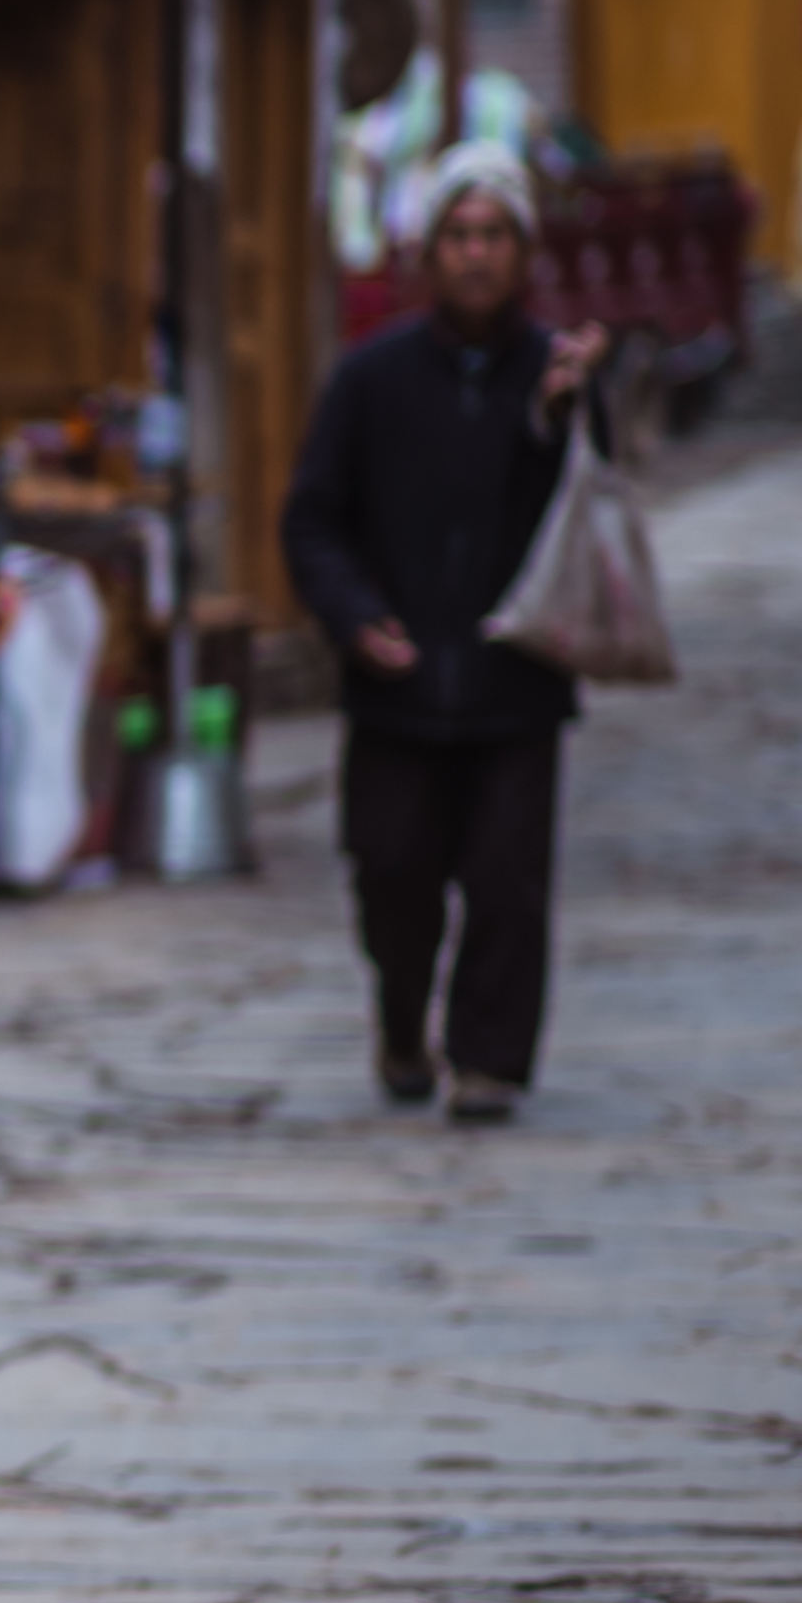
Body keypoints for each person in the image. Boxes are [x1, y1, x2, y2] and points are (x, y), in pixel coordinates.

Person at [279, 138, 610, 1123]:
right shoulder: (369, 380)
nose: (475, 255)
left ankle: (489, 1060)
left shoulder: (555, 375)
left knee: (507, 886)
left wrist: (560, 418)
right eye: (458, 235)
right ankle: (398, 1020)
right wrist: (349, 615)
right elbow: (310, 516)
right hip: (398, 679)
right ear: (429, 252)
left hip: (515, 677)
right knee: (393, 876)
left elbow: (594, 515)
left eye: (494, 235)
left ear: (523, 252)